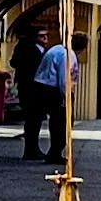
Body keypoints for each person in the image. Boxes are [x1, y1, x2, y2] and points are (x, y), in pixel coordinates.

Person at [21, 28, 71, 161]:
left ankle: (33, 150)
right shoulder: (29, 49)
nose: (45, 39)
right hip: (34, 85)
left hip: (38, 85)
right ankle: (32, 150)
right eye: (41, 36)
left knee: (36, 119)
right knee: (35, 120)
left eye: (46, 35)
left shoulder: (49, 51)